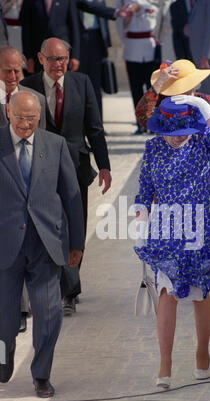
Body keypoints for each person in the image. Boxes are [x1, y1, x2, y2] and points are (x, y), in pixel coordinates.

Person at [134, 96, 210, 388]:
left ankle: (202, 353)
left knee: (200, 294)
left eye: (184, 128)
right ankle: (165, 364)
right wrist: (141, 222)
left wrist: (201, 105)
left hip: (201, 226)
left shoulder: (201, 142)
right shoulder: (153, 147)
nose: (179, 135)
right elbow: (144, 189)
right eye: (174, 129)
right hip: (167, 227)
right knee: (167, 293)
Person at [0, 90, 85, 397]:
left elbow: (72, 196)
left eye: (32, 118)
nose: (26, 124)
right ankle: (3, 355)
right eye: (21, 117)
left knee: (49, 315)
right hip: (5, 247)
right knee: (4, 319)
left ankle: (41, 375)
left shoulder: (55, 144)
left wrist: (77, 243)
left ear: (40, 116)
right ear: (9, 113)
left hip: (46, 244)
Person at [21, 37, 112, 316]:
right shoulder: (28, 87)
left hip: (75, 165)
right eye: (52, 59)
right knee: (49, 227)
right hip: (40, 169)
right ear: (40, 59)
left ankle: (69, 289)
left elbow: (94, 128)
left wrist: (105, 166)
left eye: (62, 58)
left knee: (75, 225)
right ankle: (60, 288)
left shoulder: (82, 83)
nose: (58, 64)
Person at [135, 59, 210, 200]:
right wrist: (159, 83)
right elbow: (142, 116)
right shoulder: (163, 104)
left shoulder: (207, 103)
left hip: (201, 180)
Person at [0, 45, 47, 332]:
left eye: (18, 70)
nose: (14, 76)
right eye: (8, 70)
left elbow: (47, 144)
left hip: (29, 189)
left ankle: (20, 311)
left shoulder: (34, 100)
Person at [76, 0, 134, 120]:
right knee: (78, 86)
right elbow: (86, 6)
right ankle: (80, 126)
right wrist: (117, 12)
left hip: (96, 40)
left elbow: (102, 17)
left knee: (95, 85)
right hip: (78, 40)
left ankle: (97, 124)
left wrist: (106, 44)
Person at [115, 0, 160, 134]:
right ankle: (141, 122)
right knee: (136, 89)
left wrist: (139, 5)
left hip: (150, 48)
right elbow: (119, 25)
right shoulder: (122, 2)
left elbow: (157, 15)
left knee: (152, 88)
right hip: (132, 48)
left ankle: (153, 122)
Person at [19, 0, 80, 74]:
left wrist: (75, 56)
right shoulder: (30, 1)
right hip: (39, 54)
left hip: (62, 54)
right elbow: (26, 30)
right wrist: (28, 57)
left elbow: (74, 28)